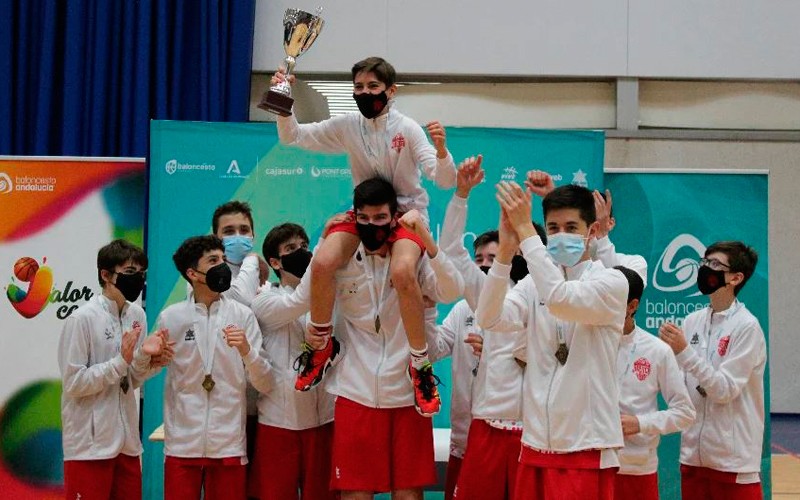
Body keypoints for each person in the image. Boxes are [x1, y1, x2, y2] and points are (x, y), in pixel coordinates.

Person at [271, 56, 457, 416]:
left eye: (373, 87)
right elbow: (292, 136)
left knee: (403, 273)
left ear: (391, 90)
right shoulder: (347, 125)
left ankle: (419, 367)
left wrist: (443, 152)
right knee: (323, 261)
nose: (365, 93)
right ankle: (323, 346)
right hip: (364, 215)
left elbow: (443, 178)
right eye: (358, 87)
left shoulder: (408, 128)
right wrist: (282, 99)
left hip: (405, 216)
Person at [476, 181, 629, 499]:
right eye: (553, 228)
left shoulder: (611, 281)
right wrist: (505, 253)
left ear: (593, 230)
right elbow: (489, 319)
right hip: (535, 444)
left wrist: (524, 230)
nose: (560, 235)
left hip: (584, 447)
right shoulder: (534, 284)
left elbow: (560, 299)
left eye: (571, 227)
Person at [320, 178, 462, 498]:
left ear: (394, 216)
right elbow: (310, 289)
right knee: (355, 493)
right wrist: (324, 240)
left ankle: (418, 366)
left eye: (380, 217)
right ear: (353, 216)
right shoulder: (341, 257)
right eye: (364, 218)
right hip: (355, 394)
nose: (372, 226)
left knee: (408, 494)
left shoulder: (411, 260)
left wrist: (425, 236)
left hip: (408, 395)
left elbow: (452, 290)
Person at [437, 156, 540, 500]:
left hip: (539, 430)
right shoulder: (486, 291)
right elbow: (451, 249)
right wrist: (461, 195)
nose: (487, 264)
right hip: (489, 424)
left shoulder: (561, 296)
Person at [158, 235, 273, 500]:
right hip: (182, 446)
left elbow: (266, 383)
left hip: (228, 444)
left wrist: (247, 351)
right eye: (213, 261)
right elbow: (144, 373)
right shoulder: (171, 318)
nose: (223, 266)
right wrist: (144, 356)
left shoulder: (242, 316)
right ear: (193, 273)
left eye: (223, 259)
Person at [58, 239, 170, 500]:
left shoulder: (136, 316)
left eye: (141, 273)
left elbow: (129, 380)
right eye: (130, 273)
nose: (138, 280)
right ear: (105, 275)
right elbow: (74, 383)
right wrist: (120, 361)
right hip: (89, 446)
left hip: (127, 444)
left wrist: (149, 361)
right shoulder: (82, 319)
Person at [659, 241, 765, 500]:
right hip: (693, 460)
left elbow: (724, 390)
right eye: (705, 262)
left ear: (736, 278)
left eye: (715, 264)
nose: (706, 268)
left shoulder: (747, 327)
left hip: (733, 464)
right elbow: (683, 386)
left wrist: (684, 351)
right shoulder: (692, 321)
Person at [250, 223, 337, 500]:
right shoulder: (264, 300)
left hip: (322, 420)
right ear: (275, 262)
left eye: (304, 246)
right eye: (291, 249)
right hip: (278, 422)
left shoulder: (333, 297)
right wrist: (324, 244)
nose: (301, 252)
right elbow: (298, 302)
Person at [613, 266, 695, 500]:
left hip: (636, 469)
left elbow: (685, 413)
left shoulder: (656, 350)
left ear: (632, 306)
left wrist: (640, 423)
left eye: (613, 300)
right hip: (590, 464)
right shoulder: (584, 343)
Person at [526, 170, 647, 283]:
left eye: (597, 220)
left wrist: (602, 237)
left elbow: (615, 287)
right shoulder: (554, 261)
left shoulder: (635, 263)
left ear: (609, 223)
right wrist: (553, 198)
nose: (592, 230)